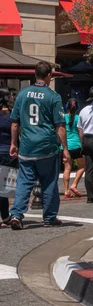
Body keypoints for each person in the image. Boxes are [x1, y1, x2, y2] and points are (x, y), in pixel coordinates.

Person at [9, 61, 71, 230]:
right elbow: (60, 125)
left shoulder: (22, 94)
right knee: (49, 181)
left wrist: (14, 143)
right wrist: (65, 149)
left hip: (27, 147)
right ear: (49, 75)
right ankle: (49, 217)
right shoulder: (53, 96)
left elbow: (15, 123)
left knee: (24, 182)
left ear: (35, 74)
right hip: (46, 147)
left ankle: (16, 214)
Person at [62, 98, 86, 198]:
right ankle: (74, 184)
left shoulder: (63, 117)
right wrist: (82, 144)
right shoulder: (78, 118)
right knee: (83, 165)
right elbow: (81, 133)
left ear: (67, 107)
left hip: (66, 146)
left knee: (67, 168)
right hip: (76, 145)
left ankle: (66, 190)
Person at [0, 88, 16, 227]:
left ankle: (5, 216)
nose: (12, 97)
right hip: (7, 152)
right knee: (4, 187)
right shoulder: (11, 116)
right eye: (10, 95)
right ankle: (5, 217)